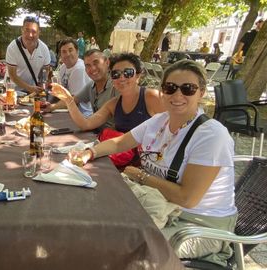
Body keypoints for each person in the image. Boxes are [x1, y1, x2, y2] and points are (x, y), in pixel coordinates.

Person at [75, 59, 237, 265]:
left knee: (121, 247)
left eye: (188, 89)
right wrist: (89, 152)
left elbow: (187, 198)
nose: (177, 95)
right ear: (163, 91)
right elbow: (120, 143)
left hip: (198, 225)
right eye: (170, 88)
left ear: (201, 92)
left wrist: (142, 176)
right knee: (97, 218)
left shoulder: (211, 135)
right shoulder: (161, 121)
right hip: (160, 208)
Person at [51, 53, 164, 133]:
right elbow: (86, 124)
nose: (122, 78)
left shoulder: (151, 97)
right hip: (120, 157)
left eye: (128, 73)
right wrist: (68, 100)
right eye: (116, 74)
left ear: (138, 76)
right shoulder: (113, 104)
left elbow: (178, 125)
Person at [43, 38, 93, 116]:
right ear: (60, 55)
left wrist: (52, 107)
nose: (67, 54)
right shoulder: (63, 67)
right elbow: (60, 91)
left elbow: (73, 99)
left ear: (77, 52)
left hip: (82, 114)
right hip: (68, 111)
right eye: (64, 52)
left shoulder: (79, 69)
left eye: (70, 50)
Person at [5, 16, 50, 94]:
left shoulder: (44, 48)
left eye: (34, 31)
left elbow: (46, 70)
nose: (30, 35)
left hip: (33, 91)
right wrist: (29, 88)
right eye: (27, 30)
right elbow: (12, 75)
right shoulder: (12, 47)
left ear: (39, 32)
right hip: (14, 90)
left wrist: (44, 83)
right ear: (22, 30)